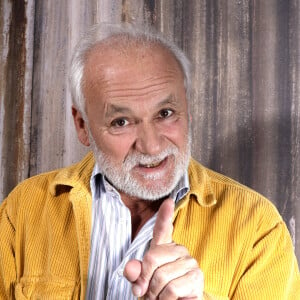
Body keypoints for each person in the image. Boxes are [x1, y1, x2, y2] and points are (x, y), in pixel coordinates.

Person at [0, 23, 299, 300]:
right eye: (121, 121)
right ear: (82, 125)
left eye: (165, 113)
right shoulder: (23, 210)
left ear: (187, 109)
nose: (151, 145)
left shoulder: (257, 227)